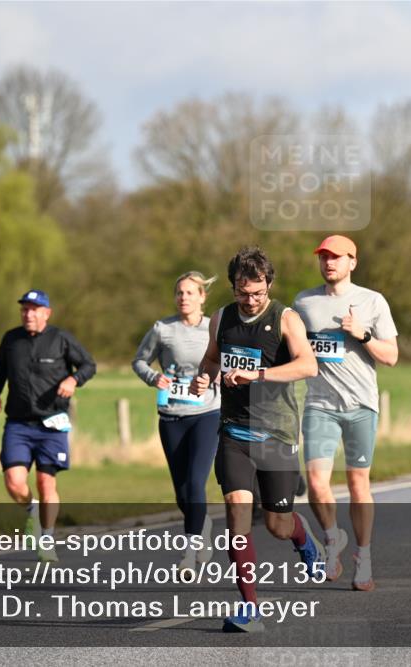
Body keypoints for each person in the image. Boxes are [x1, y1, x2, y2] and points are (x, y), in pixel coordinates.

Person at [191, 246, 323, 634]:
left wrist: (258, 376)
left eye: (257, 293)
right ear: (233, 287)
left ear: (269, 286)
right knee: (237, 513)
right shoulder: (222, 318)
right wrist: (205, 377)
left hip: (276, 432)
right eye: (242, 292)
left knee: (278, 524)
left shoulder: (286, 319)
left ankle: (302, 537)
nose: (250, 301)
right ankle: (251, 608)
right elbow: (212, 359)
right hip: (234, 430)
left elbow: (308, 365)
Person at [293, 235, 398, 592]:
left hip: (361, 406)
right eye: (323, 256)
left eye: (336, 257)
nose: (329, 262)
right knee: (317, 483)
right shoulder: (304, 302)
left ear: (353, 261)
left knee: (357, 484)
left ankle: (363, 556)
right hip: (320, 404)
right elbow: (294, 350)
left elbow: (391, 356)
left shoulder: (372, 301)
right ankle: (331, 538)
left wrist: (363, 335)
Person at [0, 290, 96, 561]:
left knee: (46, 482)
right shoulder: (11, 339)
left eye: (34, 309)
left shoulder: (61, 338)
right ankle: (32, 510)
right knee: (14, 482)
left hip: (52, 423)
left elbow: (88, 365)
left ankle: (46, 537)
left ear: (47, 313)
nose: (28, 314)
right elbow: (0, 369)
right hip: (19, 424)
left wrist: (73, 380)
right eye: (24, 309)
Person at [132, 272, 221, 575]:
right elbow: (139, 361)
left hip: (207, 414)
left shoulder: (214, 328)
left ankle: (189, 552)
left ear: (202, 297)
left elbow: (226, 363)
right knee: (183, 493)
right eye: (179, 293)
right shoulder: (162, 329)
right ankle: (202, 525)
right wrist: (154, 377)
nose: (184, 297)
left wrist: (211, 377)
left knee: (196, 482)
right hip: (171, 416)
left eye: (190, 292)